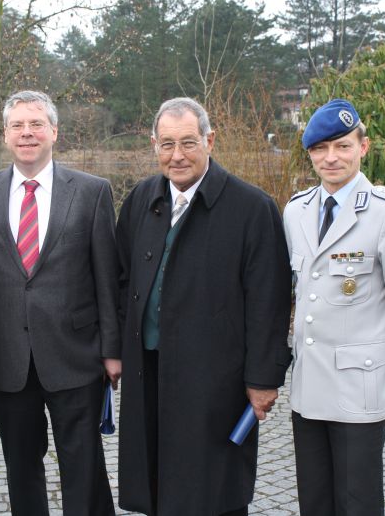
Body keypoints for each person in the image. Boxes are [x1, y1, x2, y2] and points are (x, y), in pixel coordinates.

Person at [115, 97, 293, 515]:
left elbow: (269, 302)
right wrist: (118, 350)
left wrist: (263, 379)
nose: (177, 156)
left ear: (210, 141)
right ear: (153, 144)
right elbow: (122, 279)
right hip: (149, 370)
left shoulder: (252, 208)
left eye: (189, 143)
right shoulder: (142, 199)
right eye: (167, 144)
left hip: (217, 380)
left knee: (213, 490)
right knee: (157, 483)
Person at [0, 90, 120, 515]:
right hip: (7, 359)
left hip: (76, 355)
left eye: (36, 125)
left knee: (83, 462)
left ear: (54, 132)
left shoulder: (91, 192)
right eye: (17, 125)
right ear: (5, 135)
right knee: (20, 464)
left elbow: (107, 276)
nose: (27, 133)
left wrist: (112, 351)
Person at [283, 98, 385, 516]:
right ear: (310, 153)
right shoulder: (295, 211)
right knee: (314, 501)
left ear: (363, 147)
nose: (331, 158)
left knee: (358, 502)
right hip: (309, 388)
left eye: (343, 146)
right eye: (320, 149)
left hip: (359, 390)